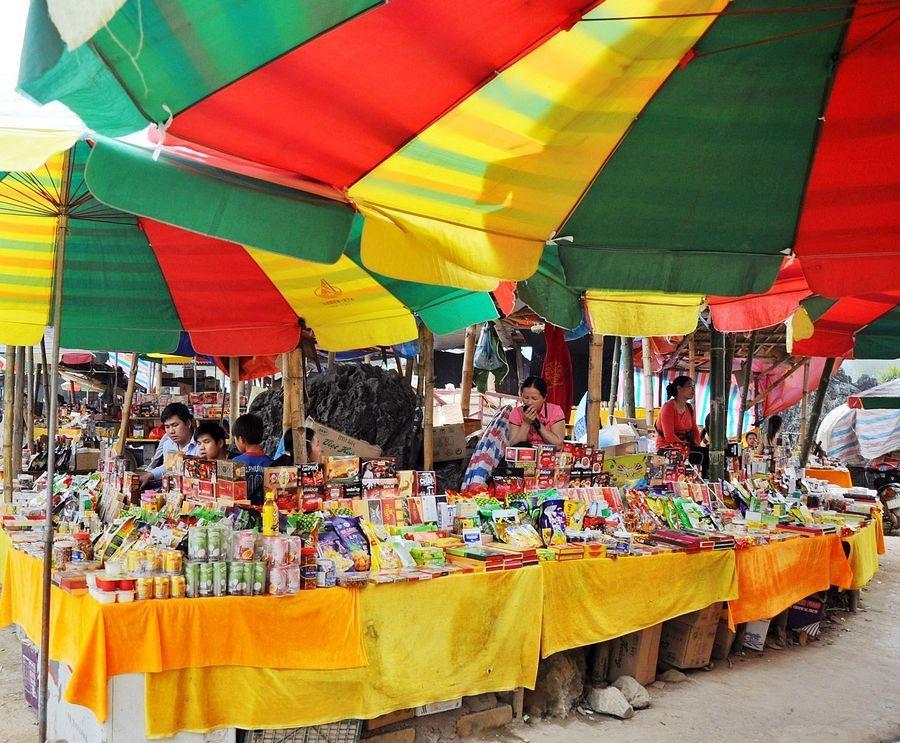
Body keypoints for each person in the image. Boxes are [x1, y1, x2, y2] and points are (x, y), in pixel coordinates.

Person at [141, 403, 199, 488]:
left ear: (188, 423)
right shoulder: (168, 444)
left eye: (175, 425)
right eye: (167, 427)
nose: (171, 431)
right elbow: (168, 467)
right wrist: (150, 474)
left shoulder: (201, 443)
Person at [507, 376, 566, 447]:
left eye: (534, 399)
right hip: (526, 453)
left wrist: (537, 423)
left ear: (544, 398)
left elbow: (558, 445)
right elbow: (513, 445)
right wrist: (526, 423)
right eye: (526, 398)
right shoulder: (516, 412)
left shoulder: (555, 411)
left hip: (548, 453)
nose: (529, 402)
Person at [232, 413, 273, 505]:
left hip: (242, 511)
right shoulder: (271, 463)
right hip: (266, 510)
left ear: (241, 439)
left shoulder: (235, 462)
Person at [656, 376, 701, 447]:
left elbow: (695, 430)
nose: (693, 389)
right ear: (679, 388)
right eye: (689, 386)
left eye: (693, 386)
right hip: (668, 447)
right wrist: (686, 448)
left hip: (686, 447)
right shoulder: (668, 407)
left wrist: (697, 445)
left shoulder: (689, 407)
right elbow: (669, 436)